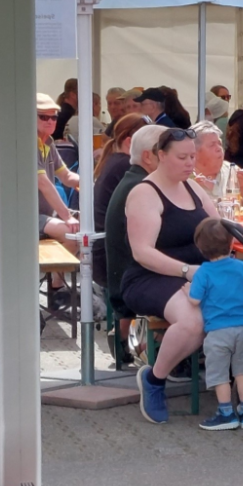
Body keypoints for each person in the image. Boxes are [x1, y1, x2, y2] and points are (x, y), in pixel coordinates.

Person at [125, 128, 243, 424]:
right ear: (160, 156)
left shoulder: (193, 188)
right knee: (194, 320)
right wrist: (188, 271)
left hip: (204, 273)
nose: (190, 163)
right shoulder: (144, 193)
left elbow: (219, 229)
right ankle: (154, 379)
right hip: (152, 276)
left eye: (192, 156)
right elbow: (142, 252)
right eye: (182, 157)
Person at [188, 218, 243, 431]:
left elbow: (194, 300)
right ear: (231, 243)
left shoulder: (203, 272)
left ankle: (226, 413)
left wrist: (187, 291)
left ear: (201, 248)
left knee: (220, 375)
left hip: (218, 331)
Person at [104, 124, 167, 360]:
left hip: (121, 274)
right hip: (133, 280)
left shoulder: (134, 180)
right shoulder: (144, 188)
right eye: (165, 151)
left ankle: (129, 338)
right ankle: (153, 347)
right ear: (148, 156)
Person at [92, 113, 149, 288]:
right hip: (112, 261)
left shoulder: (115, 160)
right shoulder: (128, 167)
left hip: (103, 254)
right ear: (130, 142)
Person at [35, 93, 80, 254]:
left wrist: (91, 183)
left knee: (91, 225)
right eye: (43, 117)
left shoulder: (48, 142)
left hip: (45, 215)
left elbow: (66, 176)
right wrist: (67, 216)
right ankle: (41, 267)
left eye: (54, 117)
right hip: (25, 217)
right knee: (73, 235)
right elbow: (44, 184)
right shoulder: (27, 143)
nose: (50, 121)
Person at [190, 120, 243, 208]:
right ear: (195, 152)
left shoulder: (232, 171)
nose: (219, 148)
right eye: (212, 145)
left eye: (220, 143)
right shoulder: (185, 177)